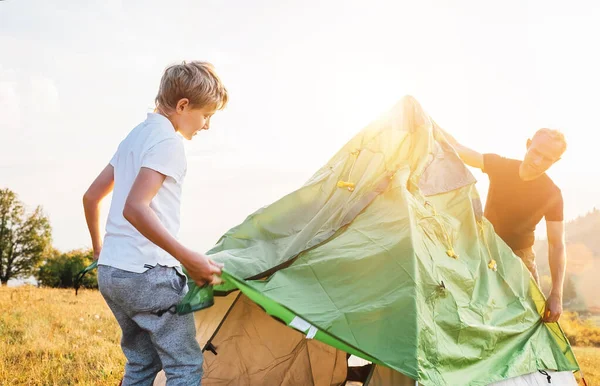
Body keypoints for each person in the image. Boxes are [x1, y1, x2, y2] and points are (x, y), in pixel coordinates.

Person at [82, 61, 228, 385]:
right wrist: (188, 257)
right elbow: (135, 208)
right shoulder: (168, 143)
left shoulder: (135, 136)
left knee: (142, 362)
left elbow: (91, 197)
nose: (206, 126)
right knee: (185, 365)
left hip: (113, 274)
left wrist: (98, 251)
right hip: (149, 276)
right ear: (183, 105)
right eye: (206, 116)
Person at [436, 126, 567, 323]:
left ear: (555, 161)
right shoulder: (501, 166)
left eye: (547, 158)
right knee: (472, 312)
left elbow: (556, 245)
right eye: (536, 153)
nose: (538, 161)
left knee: (529, 320)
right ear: (528, 144)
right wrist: (423, 117)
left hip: (519, 260)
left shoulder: (552, 194)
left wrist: (556, 294)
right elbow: (456, 147)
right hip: (483, 251)